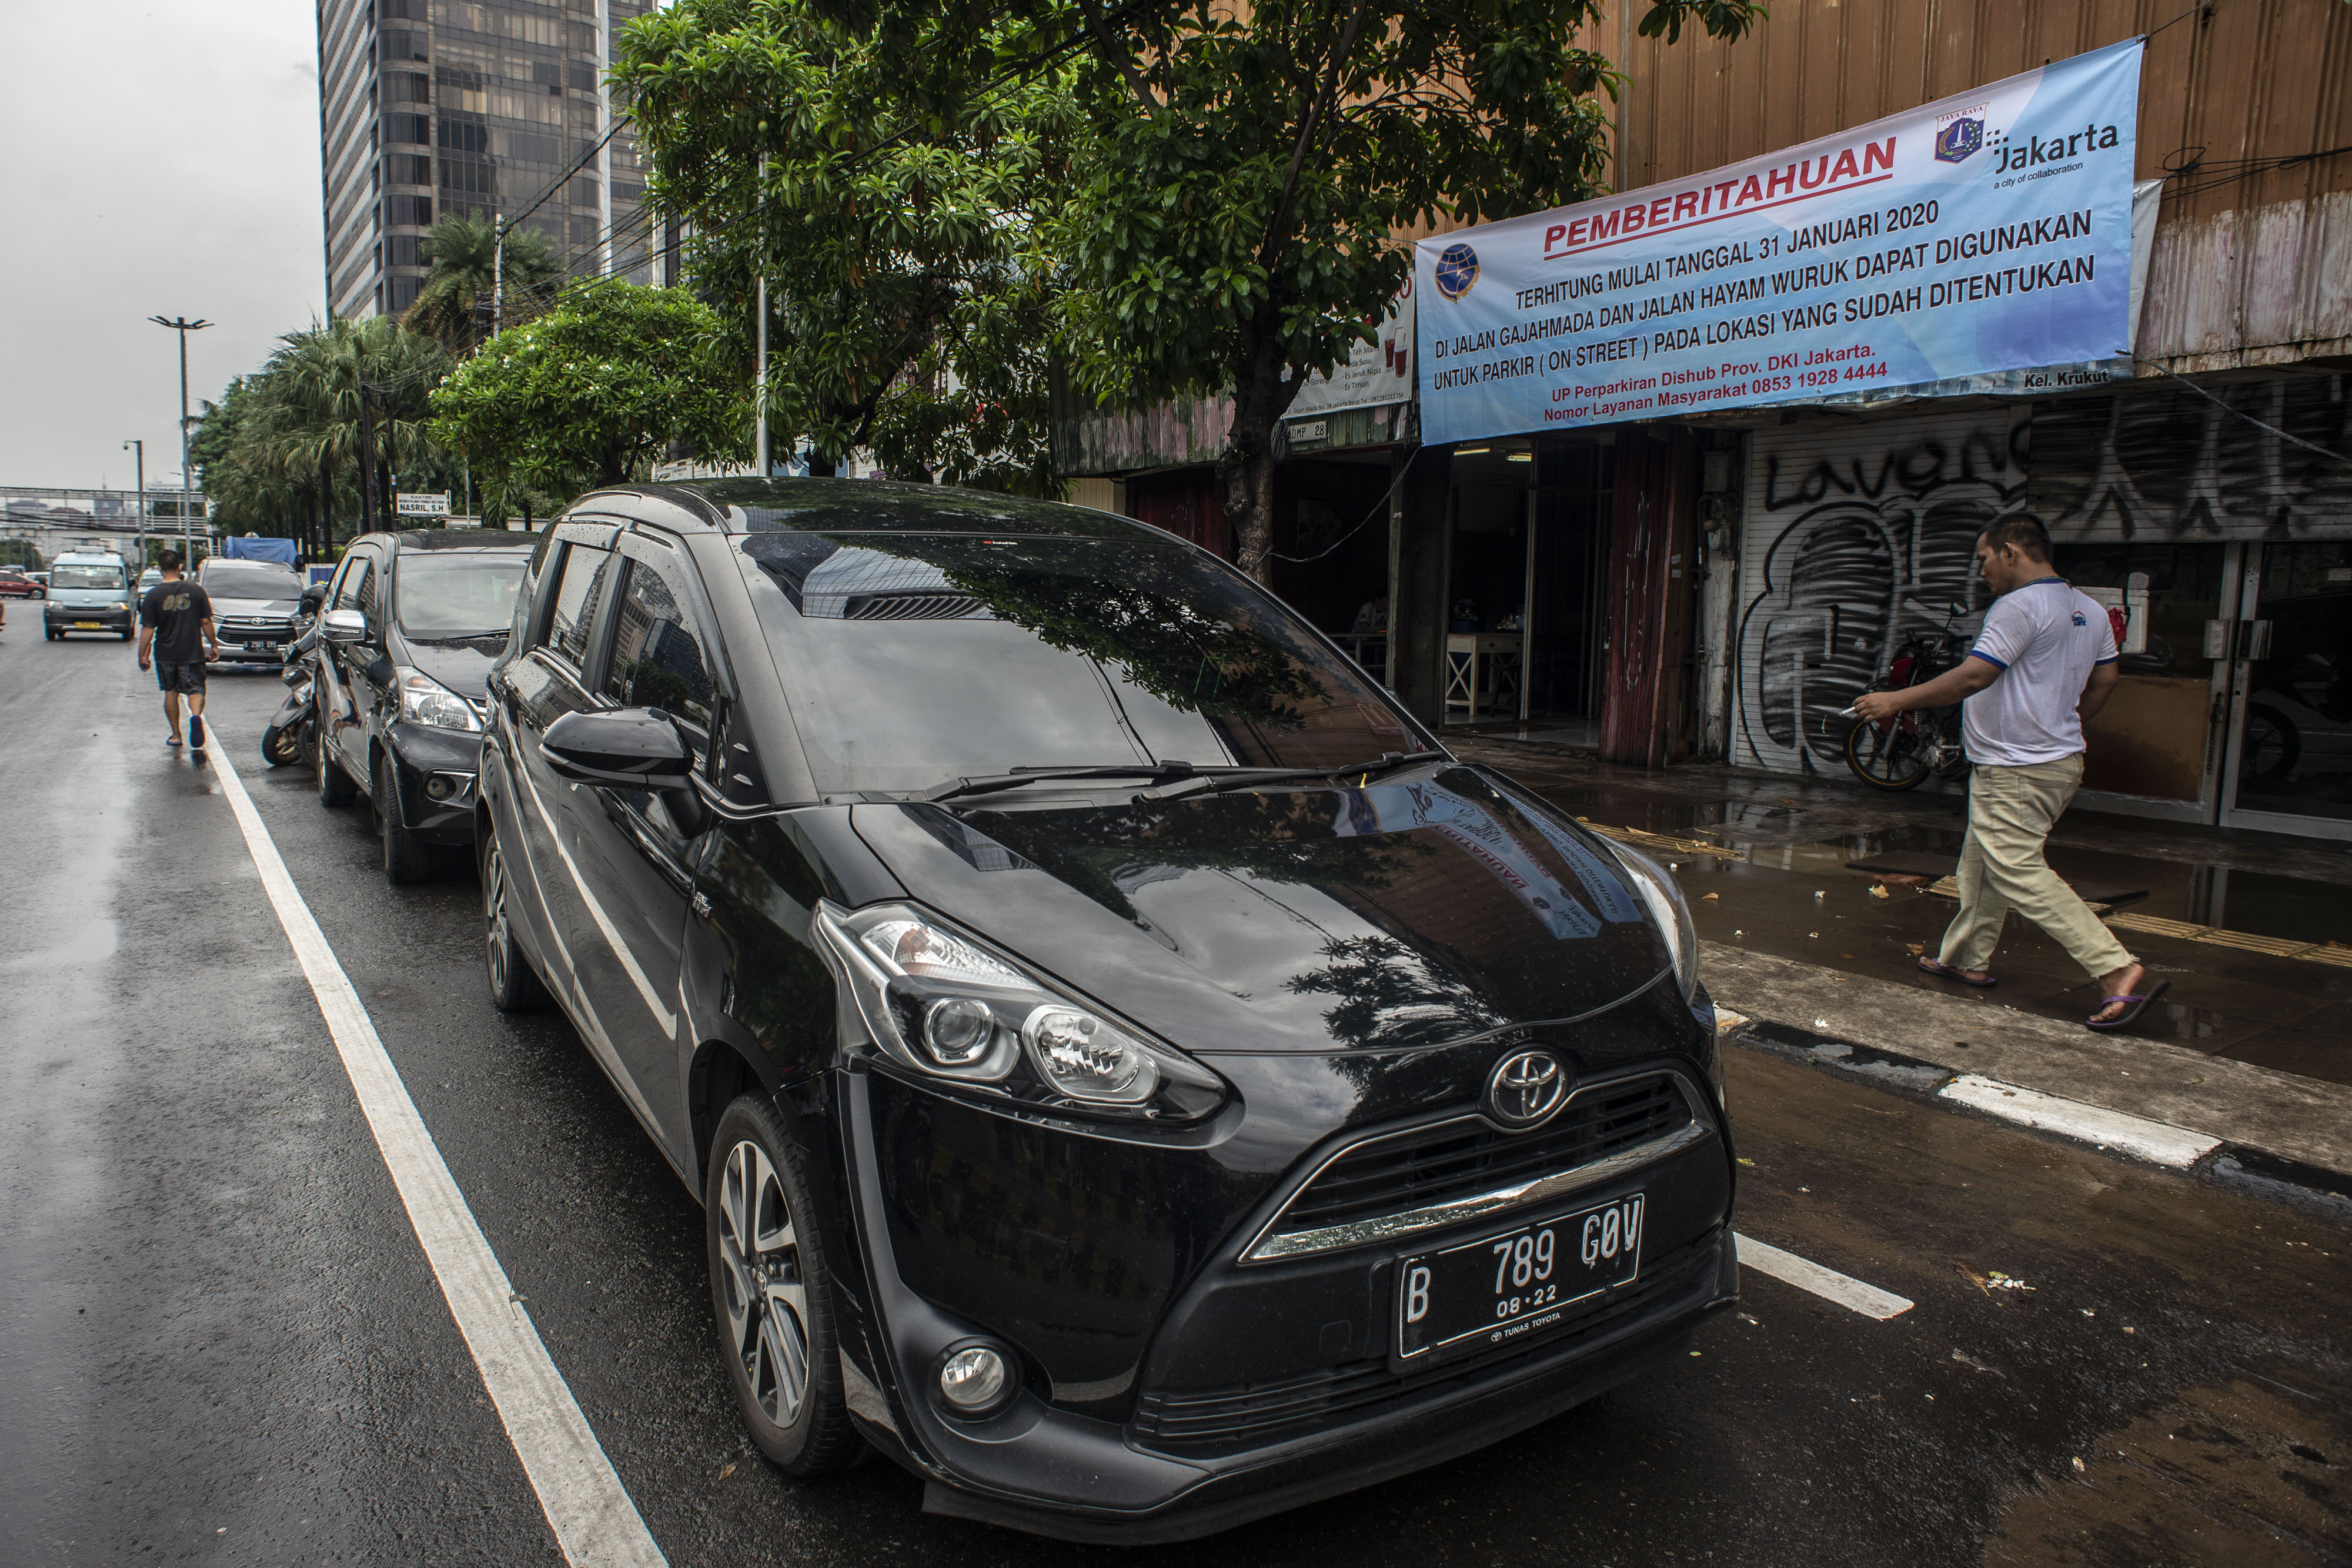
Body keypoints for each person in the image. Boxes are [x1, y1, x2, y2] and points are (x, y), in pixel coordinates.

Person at [1851, 516, 2164, 1032]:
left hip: (2016, 766)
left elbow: (1974, 676)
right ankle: (1964, 958)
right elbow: (2108, 678)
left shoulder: (2019, 606)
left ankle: (2114, 967)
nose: (1982, 570)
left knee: (2016, 868)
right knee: (1982, 861)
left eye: (1984, 558)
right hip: (2056, 762)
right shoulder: (2087, 608)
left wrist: (1894, 699)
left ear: (2011, 551)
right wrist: (2067, 720)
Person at [137, 550, 219, 751]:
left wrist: (142, 654)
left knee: (171, 691)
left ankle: (175, 735)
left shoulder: (153, 595)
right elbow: (206, 621)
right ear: (180, 566)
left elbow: (148, 628)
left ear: (160, 569)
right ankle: (195, 716)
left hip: (166, 653)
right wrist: (214, 644)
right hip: (192, 651)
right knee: (196, 689)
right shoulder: (196, 591)